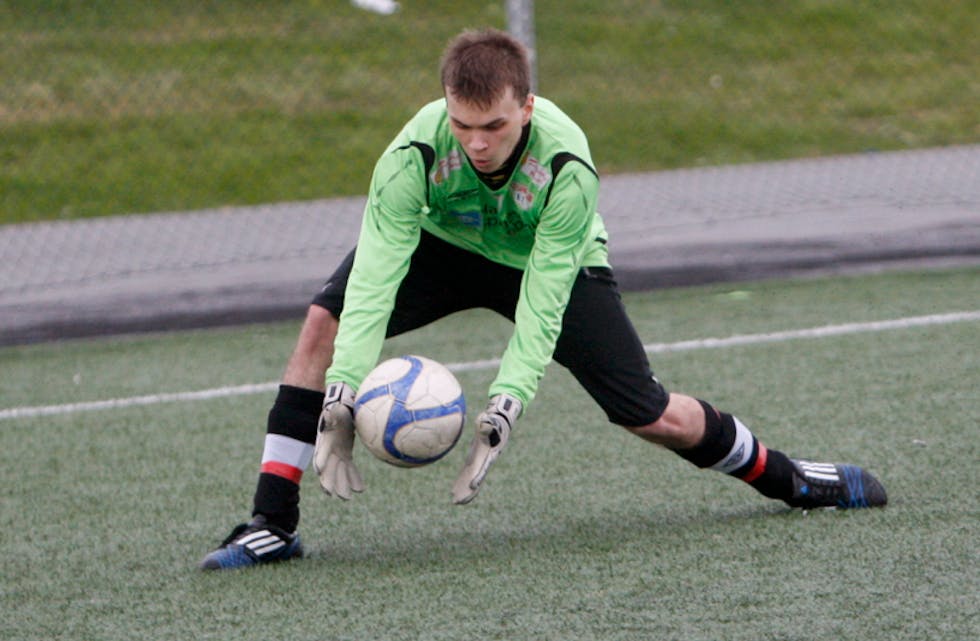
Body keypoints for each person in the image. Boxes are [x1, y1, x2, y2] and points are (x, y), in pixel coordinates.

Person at [200, 28, 886, 570]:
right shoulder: (411, 154)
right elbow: (375, 277)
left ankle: (791, 479)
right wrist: (343, 390)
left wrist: (507, 401)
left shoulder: (567, 164)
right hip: (444, 246)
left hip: (544, 261)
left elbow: (543, 301)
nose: (476, 143)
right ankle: (273, 523)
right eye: (462, 124)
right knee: (323, 321)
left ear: (526, 108)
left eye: (494, 126)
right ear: (446, 106)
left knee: (648, 413)